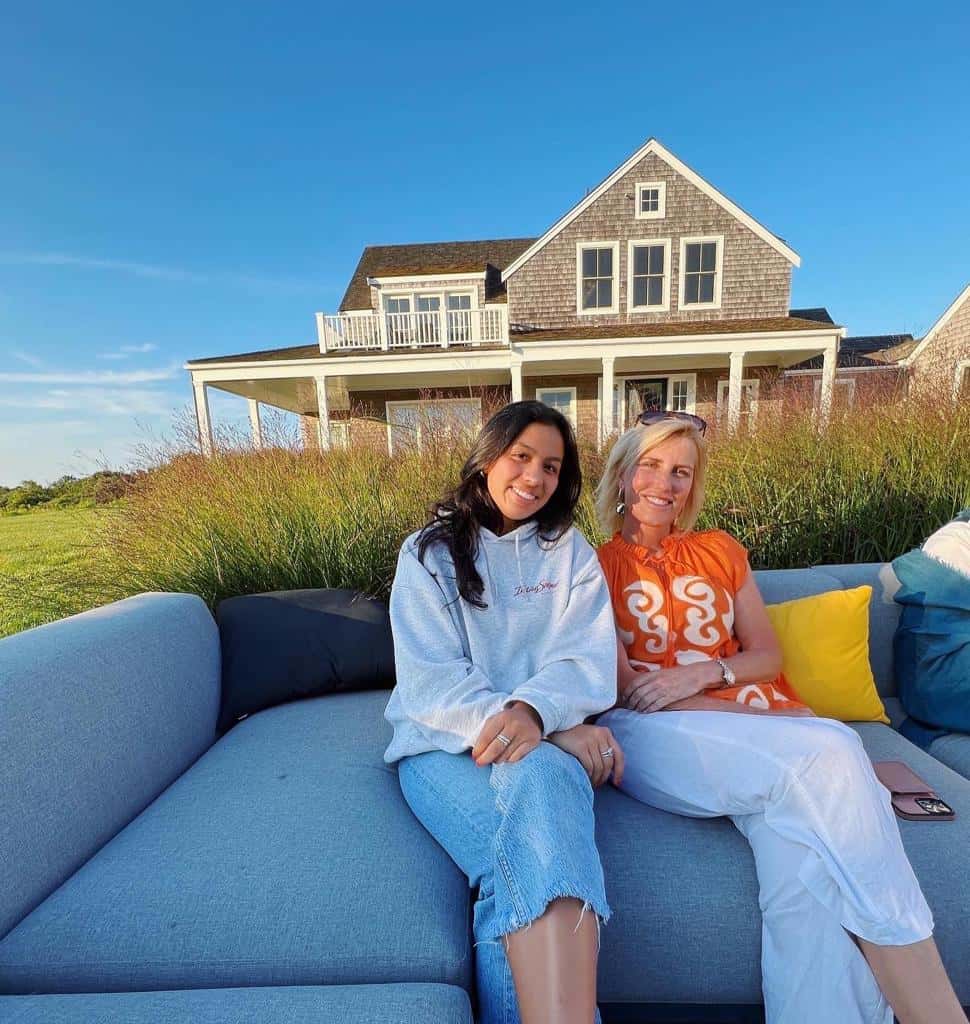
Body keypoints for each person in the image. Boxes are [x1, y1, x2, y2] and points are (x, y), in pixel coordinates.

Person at [593, 411, 966, 1024]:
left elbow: (766, 656)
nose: (665, 483)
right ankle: (933, 1008)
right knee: (836, 749)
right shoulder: (594, 565)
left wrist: (704, 673)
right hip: (656, 728)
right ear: (623, 474)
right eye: (651, 465)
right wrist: (703, 700)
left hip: (757, 721)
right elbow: (625, 687)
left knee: (800, 869)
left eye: (681, 471)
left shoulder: (721, 551)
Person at [384, 400, 623, 1024]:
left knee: (510, 867)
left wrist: (537, 716)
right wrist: (540, 727)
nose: (534, 477)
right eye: (521, 457)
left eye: (552, 466)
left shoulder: (569, 551)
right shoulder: (429, 553)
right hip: (440, 746)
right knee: (543, 781)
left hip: (539, 734)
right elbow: (432, 683)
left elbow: (587, 658)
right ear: (488, 457)